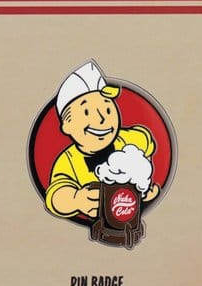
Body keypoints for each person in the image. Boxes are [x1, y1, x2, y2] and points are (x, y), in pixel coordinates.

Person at [45, 61, 160, 218]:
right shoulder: (68, 161)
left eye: (107, 109)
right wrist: (77, 200)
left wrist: (144, 185)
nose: (101, 119)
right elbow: (57, 195)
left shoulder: (131, 138)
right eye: (87, 112)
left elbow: (147, 142)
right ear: (67, 125)